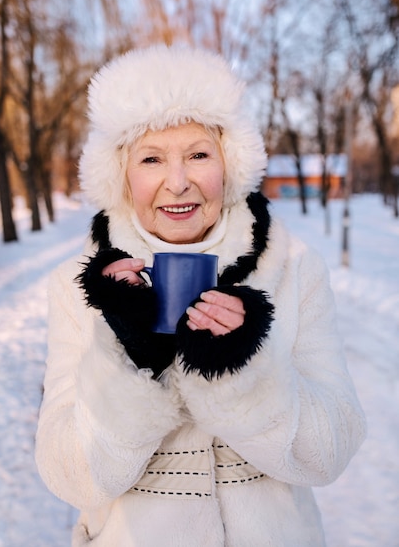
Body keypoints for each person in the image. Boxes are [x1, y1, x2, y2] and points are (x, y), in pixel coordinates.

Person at [35, 44, 366, 547]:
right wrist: (134, 362)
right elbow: (70, 477)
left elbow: (330, 453)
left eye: (198, 154)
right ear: (120, 175)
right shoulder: (77, 286)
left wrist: (239, 371)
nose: (178, 183)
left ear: (229, 161)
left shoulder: (295, 268)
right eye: (151, 158)